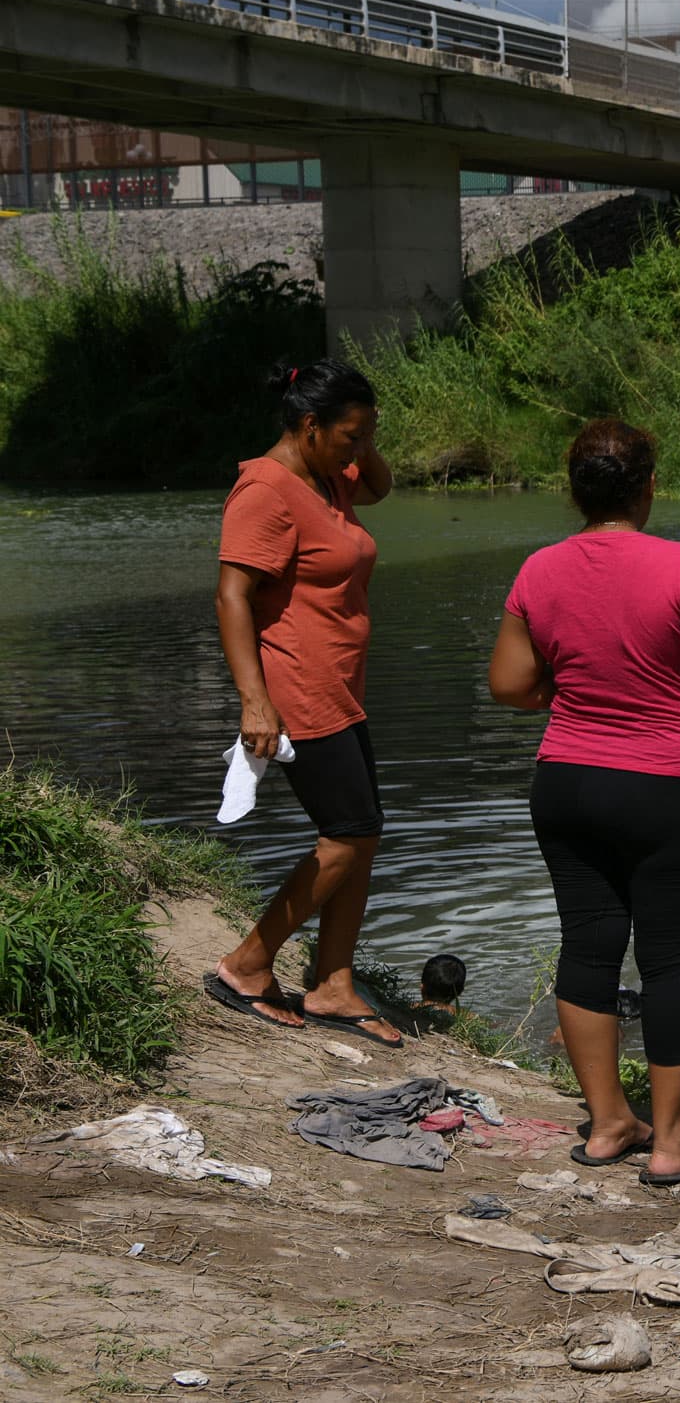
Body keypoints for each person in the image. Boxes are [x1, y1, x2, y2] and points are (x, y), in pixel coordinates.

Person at [489, 419, 680, 1187]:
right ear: (647, 488)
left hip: (567, 780)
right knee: (670, 963)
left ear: (573, 493)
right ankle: (672, 1142)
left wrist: (565, 684)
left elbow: (509, 685)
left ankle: (608, 1123)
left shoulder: (539, 570)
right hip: (669, 784)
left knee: (589, 947)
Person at [205, 360, 403, 1047]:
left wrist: (359, 439)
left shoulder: (325, 476)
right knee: (346, 832)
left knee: (364, 830)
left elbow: (380, 485)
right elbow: (232, 596)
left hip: (342, 686)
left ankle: (332, 982)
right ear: (310, 425)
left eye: (366, 435)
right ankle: (247, 966)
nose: (360, 450)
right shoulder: (265, 490)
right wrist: (254, 702)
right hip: (297, 688)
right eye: (350, 434)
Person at [412, 952, 468, 1031]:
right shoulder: (462, 1015)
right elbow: (489, 1024)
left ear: (422, 987)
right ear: (460, 992)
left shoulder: (411, 1008)